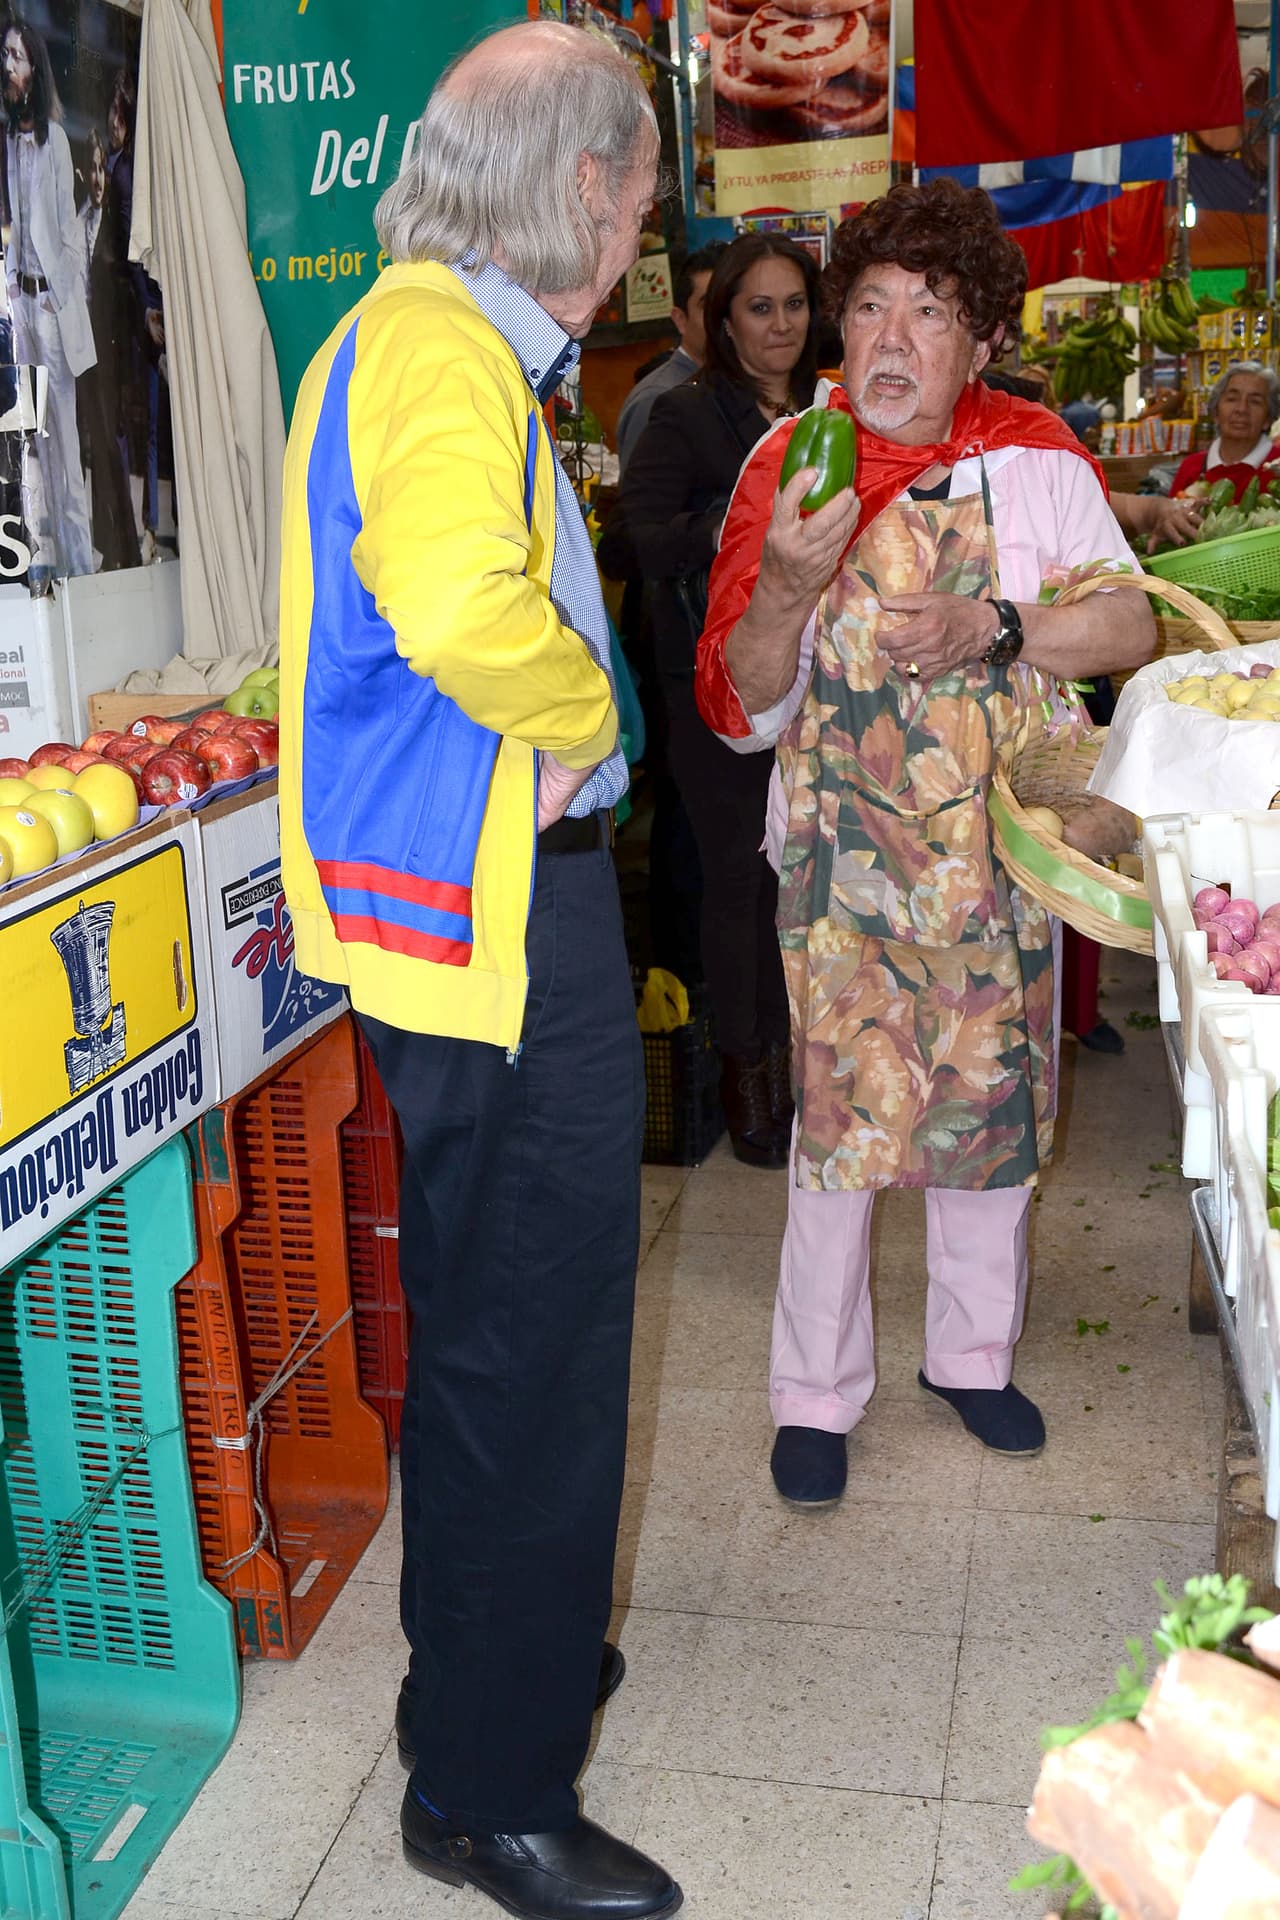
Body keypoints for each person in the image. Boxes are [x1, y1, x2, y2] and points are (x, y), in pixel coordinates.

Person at [279, 23, 681, 1920]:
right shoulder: (441, 346)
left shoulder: (416, 335)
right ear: (582, 183)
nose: (644, 230)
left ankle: (480, 1676)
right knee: (536, 1343)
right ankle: (492, 1794)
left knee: (485, 1329)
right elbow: (456, 605)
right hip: (497, 919)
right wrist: (591, 716)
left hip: (456, 918)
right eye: (642, 194)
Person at [695, 179, 1154, 1503]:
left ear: (984, 341)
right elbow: (740, 709)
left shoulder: (1040, 463)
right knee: (836, 1135)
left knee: (989, 1115)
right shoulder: (790, 468)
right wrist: (787, 585)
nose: (890, 340)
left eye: (931, 314)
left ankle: (970, 1358)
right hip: (841, 862)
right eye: (870, 308)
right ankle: (813, 1394)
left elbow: (1128, 628)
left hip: (991, 858)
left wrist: (996, 626)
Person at [623, 233, 822, 1168]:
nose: (781, 325)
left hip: (817, 677)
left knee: (802, 878)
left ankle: (805, 1065)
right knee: (742, 881)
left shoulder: (831, 410)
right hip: (715, 691)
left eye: (795, 305)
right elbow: (636, 542)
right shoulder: (686, 415)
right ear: (723, 320)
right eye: (760, 307)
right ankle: (750, 1084)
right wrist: (738, 523)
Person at [3, 15, 95, 578]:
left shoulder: (55, 141)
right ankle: (55, 559)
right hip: (24, 308)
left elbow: (68, 232)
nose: (7, 65)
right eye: (4, 55)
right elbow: (15, 222)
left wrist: (59, 299)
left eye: (15, 56)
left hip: (52, 309)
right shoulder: (10, 142)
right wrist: (14, 285)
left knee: (65, 438)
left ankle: (81, 564)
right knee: (35, 441)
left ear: (34, 67)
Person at [76, 126, 141, 571]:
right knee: (96, 451)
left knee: (114, 450)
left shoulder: (115, 227)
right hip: (85, 353)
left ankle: (127, 548)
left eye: (103, 168)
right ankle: (106, 545)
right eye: (93, 170)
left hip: (112, 352)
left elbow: (124, 290)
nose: (99, 178)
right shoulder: (79, 221)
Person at [614, 243, 725, 473]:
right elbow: (643, 495)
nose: (723, 318)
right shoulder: (656, 400)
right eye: (708, 306)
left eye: (730, 303)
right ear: (680, 319)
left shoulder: (733, 387)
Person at [1170, 360, 1280, 502]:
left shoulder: (1276, 467)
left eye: (1255, 402)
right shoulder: (1191, 467)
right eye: (1232, 399)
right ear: (1215, 412)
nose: (1241, 409)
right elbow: (1169, 514)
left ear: (1268, 419)